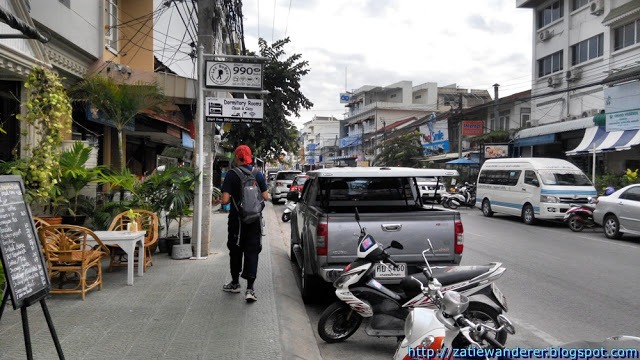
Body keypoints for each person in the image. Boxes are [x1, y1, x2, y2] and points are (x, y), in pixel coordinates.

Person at [220, 145, 269, 302]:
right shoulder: (257, 174)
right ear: (250, 157)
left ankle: (235, 284)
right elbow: (266, 197)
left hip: (237, 222)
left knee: (235, 251)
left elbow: (225, 200)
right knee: (252, 251)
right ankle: (250, 289)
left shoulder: (231, 174)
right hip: (254, 221)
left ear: (236, 157)